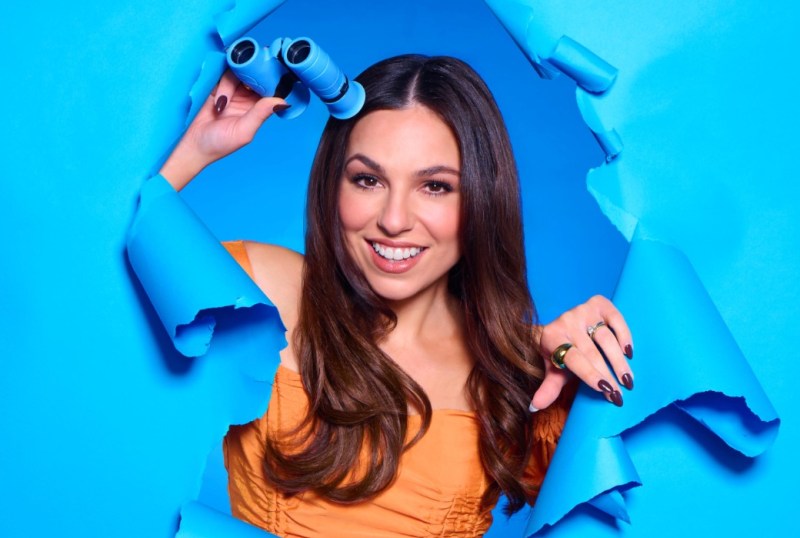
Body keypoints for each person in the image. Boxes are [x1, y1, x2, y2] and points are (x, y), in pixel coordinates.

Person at [159, 54, 634, 537]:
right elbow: (90, 304)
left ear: (482, 200)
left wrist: (599, 365)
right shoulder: (259, 292)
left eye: (434, 186)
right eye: (368, 180)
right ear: (332, 183)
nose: (394, 219)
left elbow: (659, 511)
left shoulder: (520, 373)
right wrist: (194, 151)